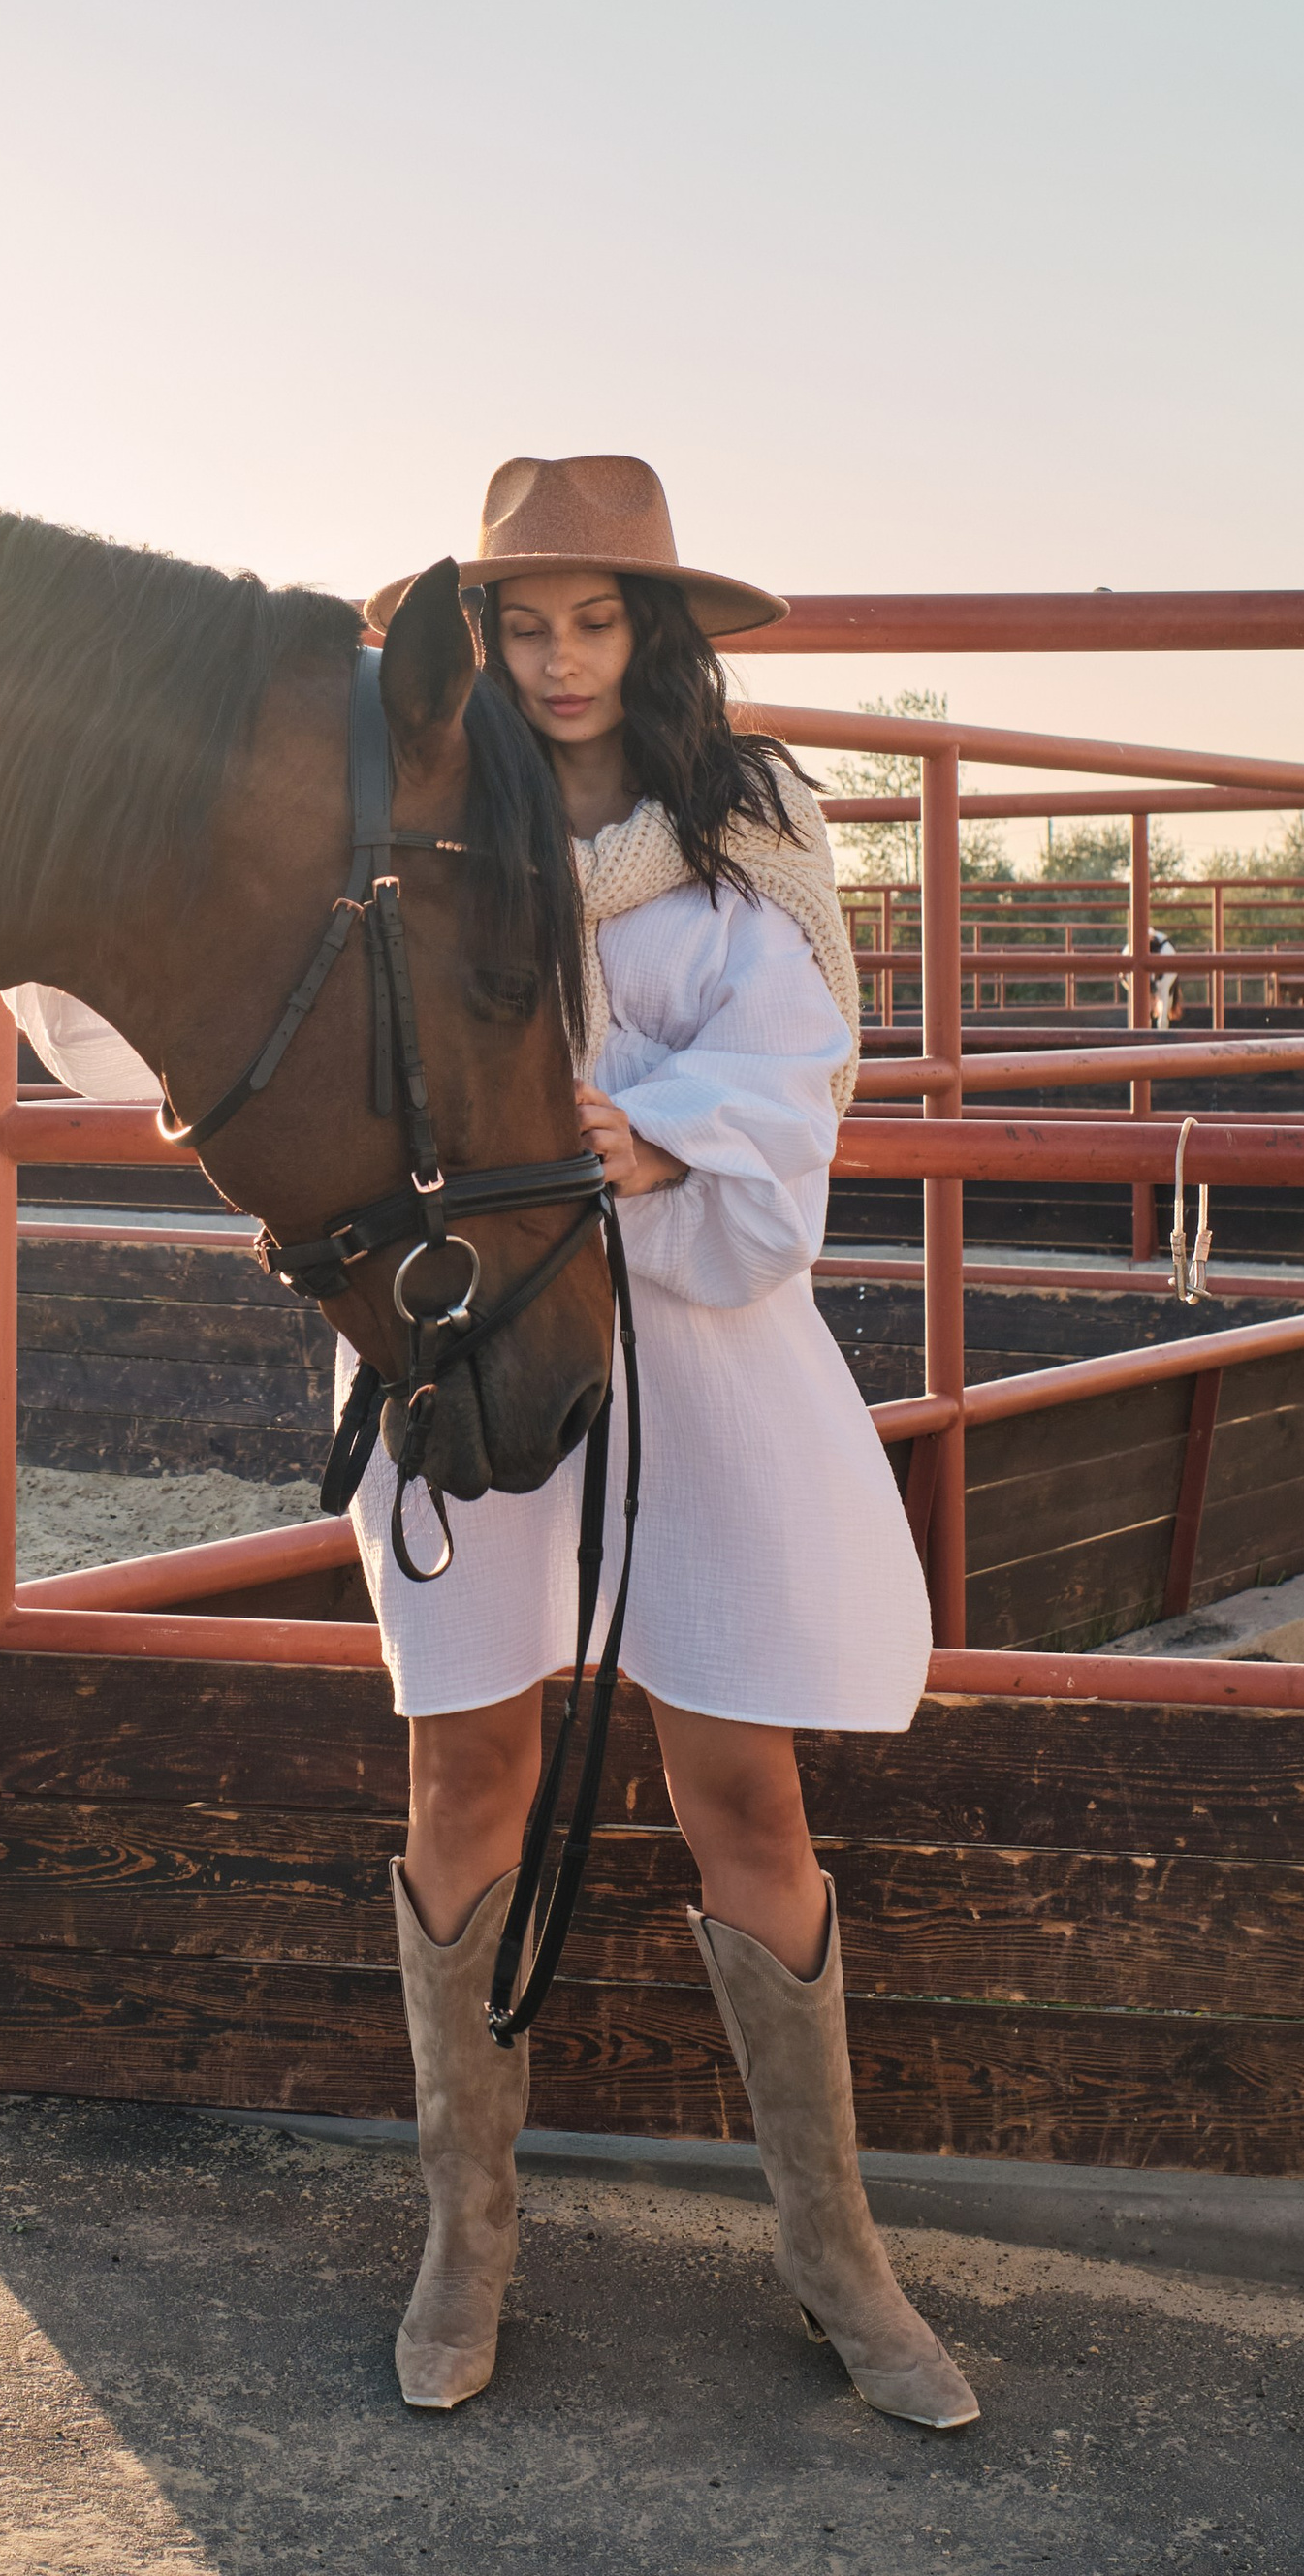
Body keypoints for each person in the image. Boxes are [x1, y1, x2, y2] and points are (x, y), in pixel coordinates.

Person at [357, 453, 973, 2432]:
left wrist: (660, 1125)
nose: (560, 660)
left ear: (653, 628)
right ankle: (466, 2237)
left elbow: (795, 1054)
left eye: (596, 619)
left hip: (699, 1332)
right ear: (479, 634)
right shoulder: (424, 802)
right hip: (480, 1330)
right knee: (469, 1768)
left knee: (746, 1792)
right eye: (523, 623)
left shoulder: (745, 813)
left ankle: (833, 2251)